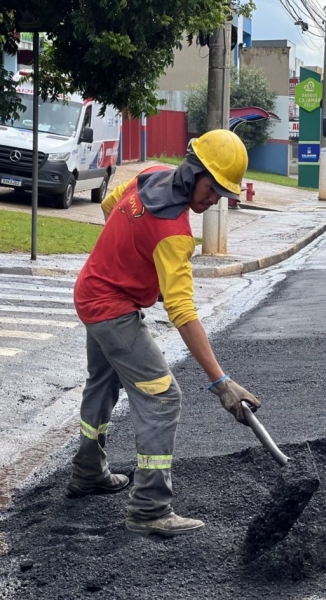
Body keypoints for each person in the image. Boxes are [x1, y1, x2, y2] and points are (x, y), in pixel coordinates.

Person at [68, 129, 262, 537]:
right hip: (112, 310)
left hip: (90, 291)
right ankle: (150, 508)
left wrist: (132, 262)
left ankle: (88, 472)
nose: (214, 200)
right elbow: (183, 312)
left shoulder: (151, 175)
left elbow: (109, 205)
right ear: (194, 171)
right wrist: (221, 382)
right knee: (163, 398)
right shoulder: (174, 234)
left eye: (223, 194)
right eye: (212, 188)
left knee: (102, 383)